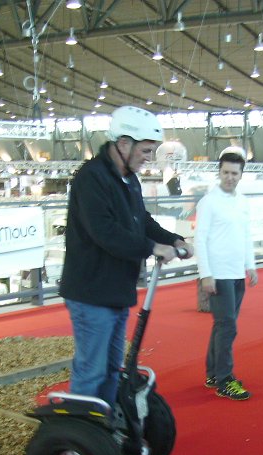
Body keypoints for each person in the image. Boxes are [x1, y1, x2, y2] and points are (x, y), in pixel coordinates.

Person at [59, 106, 193, 407]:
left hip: (117, 291)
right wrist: (151, 248)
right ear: (123, 144)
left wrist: (171, 239)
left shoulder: (130, 179)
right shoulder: (90, 179)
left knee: (111, 370)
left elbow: (140, 220)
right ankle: (80, 440)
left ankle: (103, 431)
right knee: (91, 370)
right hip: (91, 292)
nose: (149, 157)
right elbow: (104, 232)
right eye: (146, 150)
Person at [195, 149, 257, 401]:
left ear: (241, 175)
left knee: (223, 325)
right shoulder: (209, 202)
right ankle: (224, 379)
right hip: (218, 274)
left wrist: (250, 265)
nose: (230, 177)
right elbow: (200, 239)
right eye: (226, 173)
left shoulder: (242, 201)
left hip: (235, 273)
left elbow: (246, 235)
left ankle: (213, 373)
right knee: (227, 326)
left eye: (234, 173)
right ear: (219, 173)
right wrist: (205, 274)